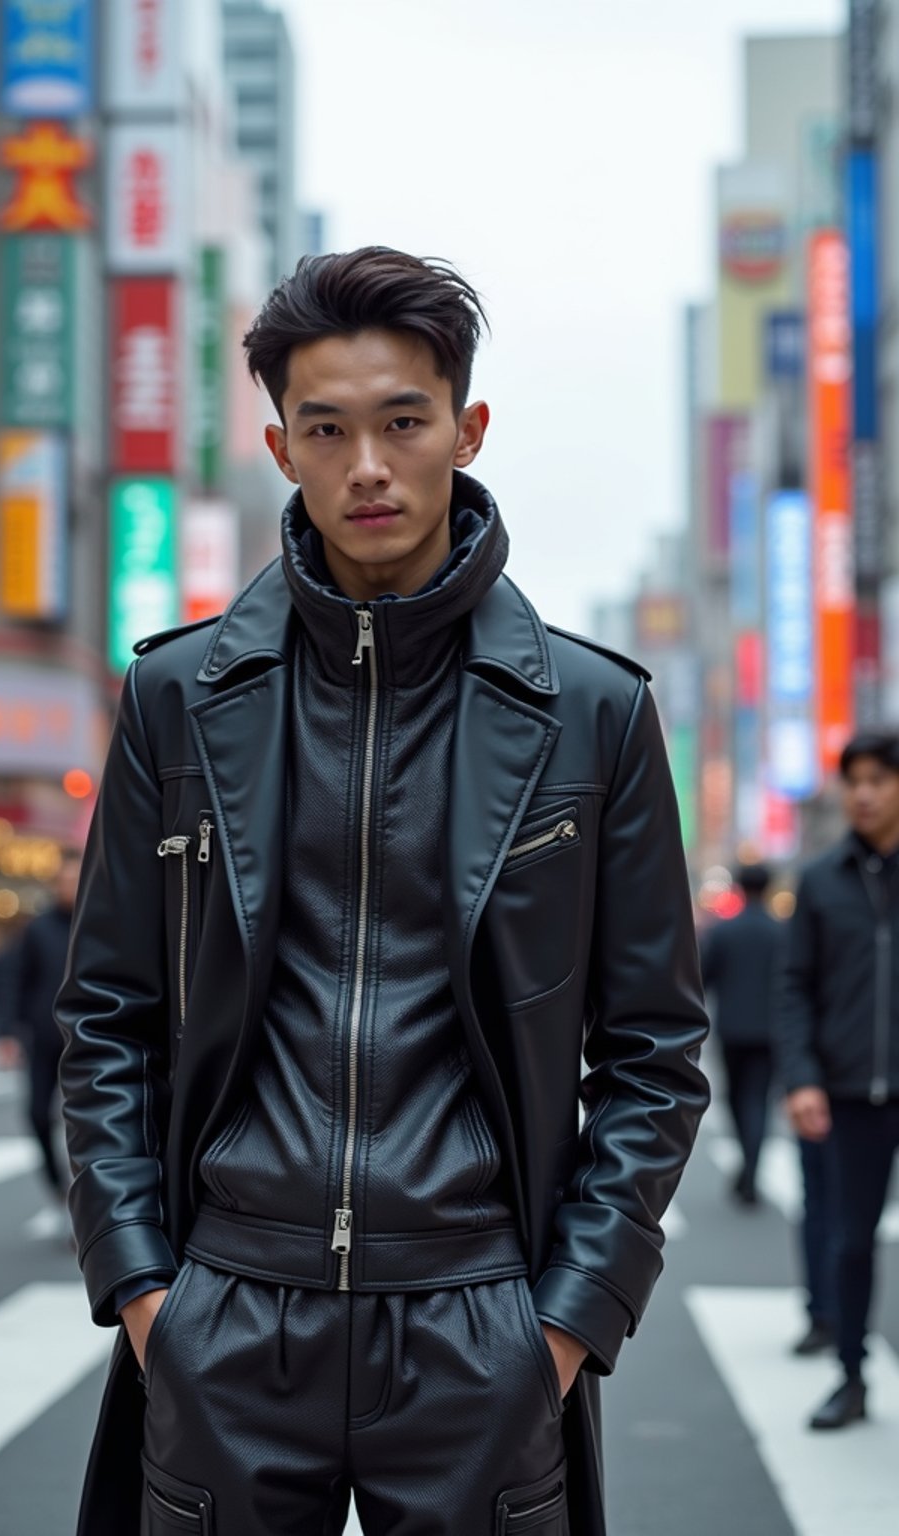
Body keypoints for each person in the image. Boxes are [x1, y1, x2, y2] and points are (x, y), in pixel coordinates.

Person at [58, 247, 710, 1536]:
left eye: (403, 422)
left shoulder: (592, 713)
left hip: (477, 1314)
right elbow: (105, 1022)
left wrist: (567, 1323)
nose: (368, 465)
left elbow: (653, 1052)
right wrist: (144, 1293)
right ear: (278, 446)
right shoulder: (179, 698)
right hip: (229, 1305)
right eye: (328, 428)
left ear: (465, 430)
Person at [778, 729, 899, 1430]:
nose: (863, 792)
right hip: (848, 1094)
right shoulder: (821, 880)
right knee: (849, 1241)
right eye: (854, 779)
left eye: (878, 779)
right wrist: (802, 1078)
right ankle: (851, 1376)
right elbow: (794, 987)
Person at [0, 852, 80, 1210]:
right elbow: (13, 979)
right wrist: (6, 1032)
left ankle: (86, 1198)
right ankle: (56, 1183)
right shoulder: (37, 929)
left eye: (77, 880)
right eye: (65, 880)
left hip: (89, 1040)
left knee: (86, 1122)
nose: (71, 887)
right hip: (44, 1038)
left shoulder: (103, 923)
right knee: (35, 1113)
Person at [700, 862, 781, 1205]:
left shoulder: (723, 932)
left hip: (732, 1028)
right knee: (758, 1099)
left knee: (735, 1098)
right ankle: (750, 1169)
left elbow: (703, 977)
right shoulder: (783, 932)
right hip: (771, 1029)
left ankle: (747, 1170)